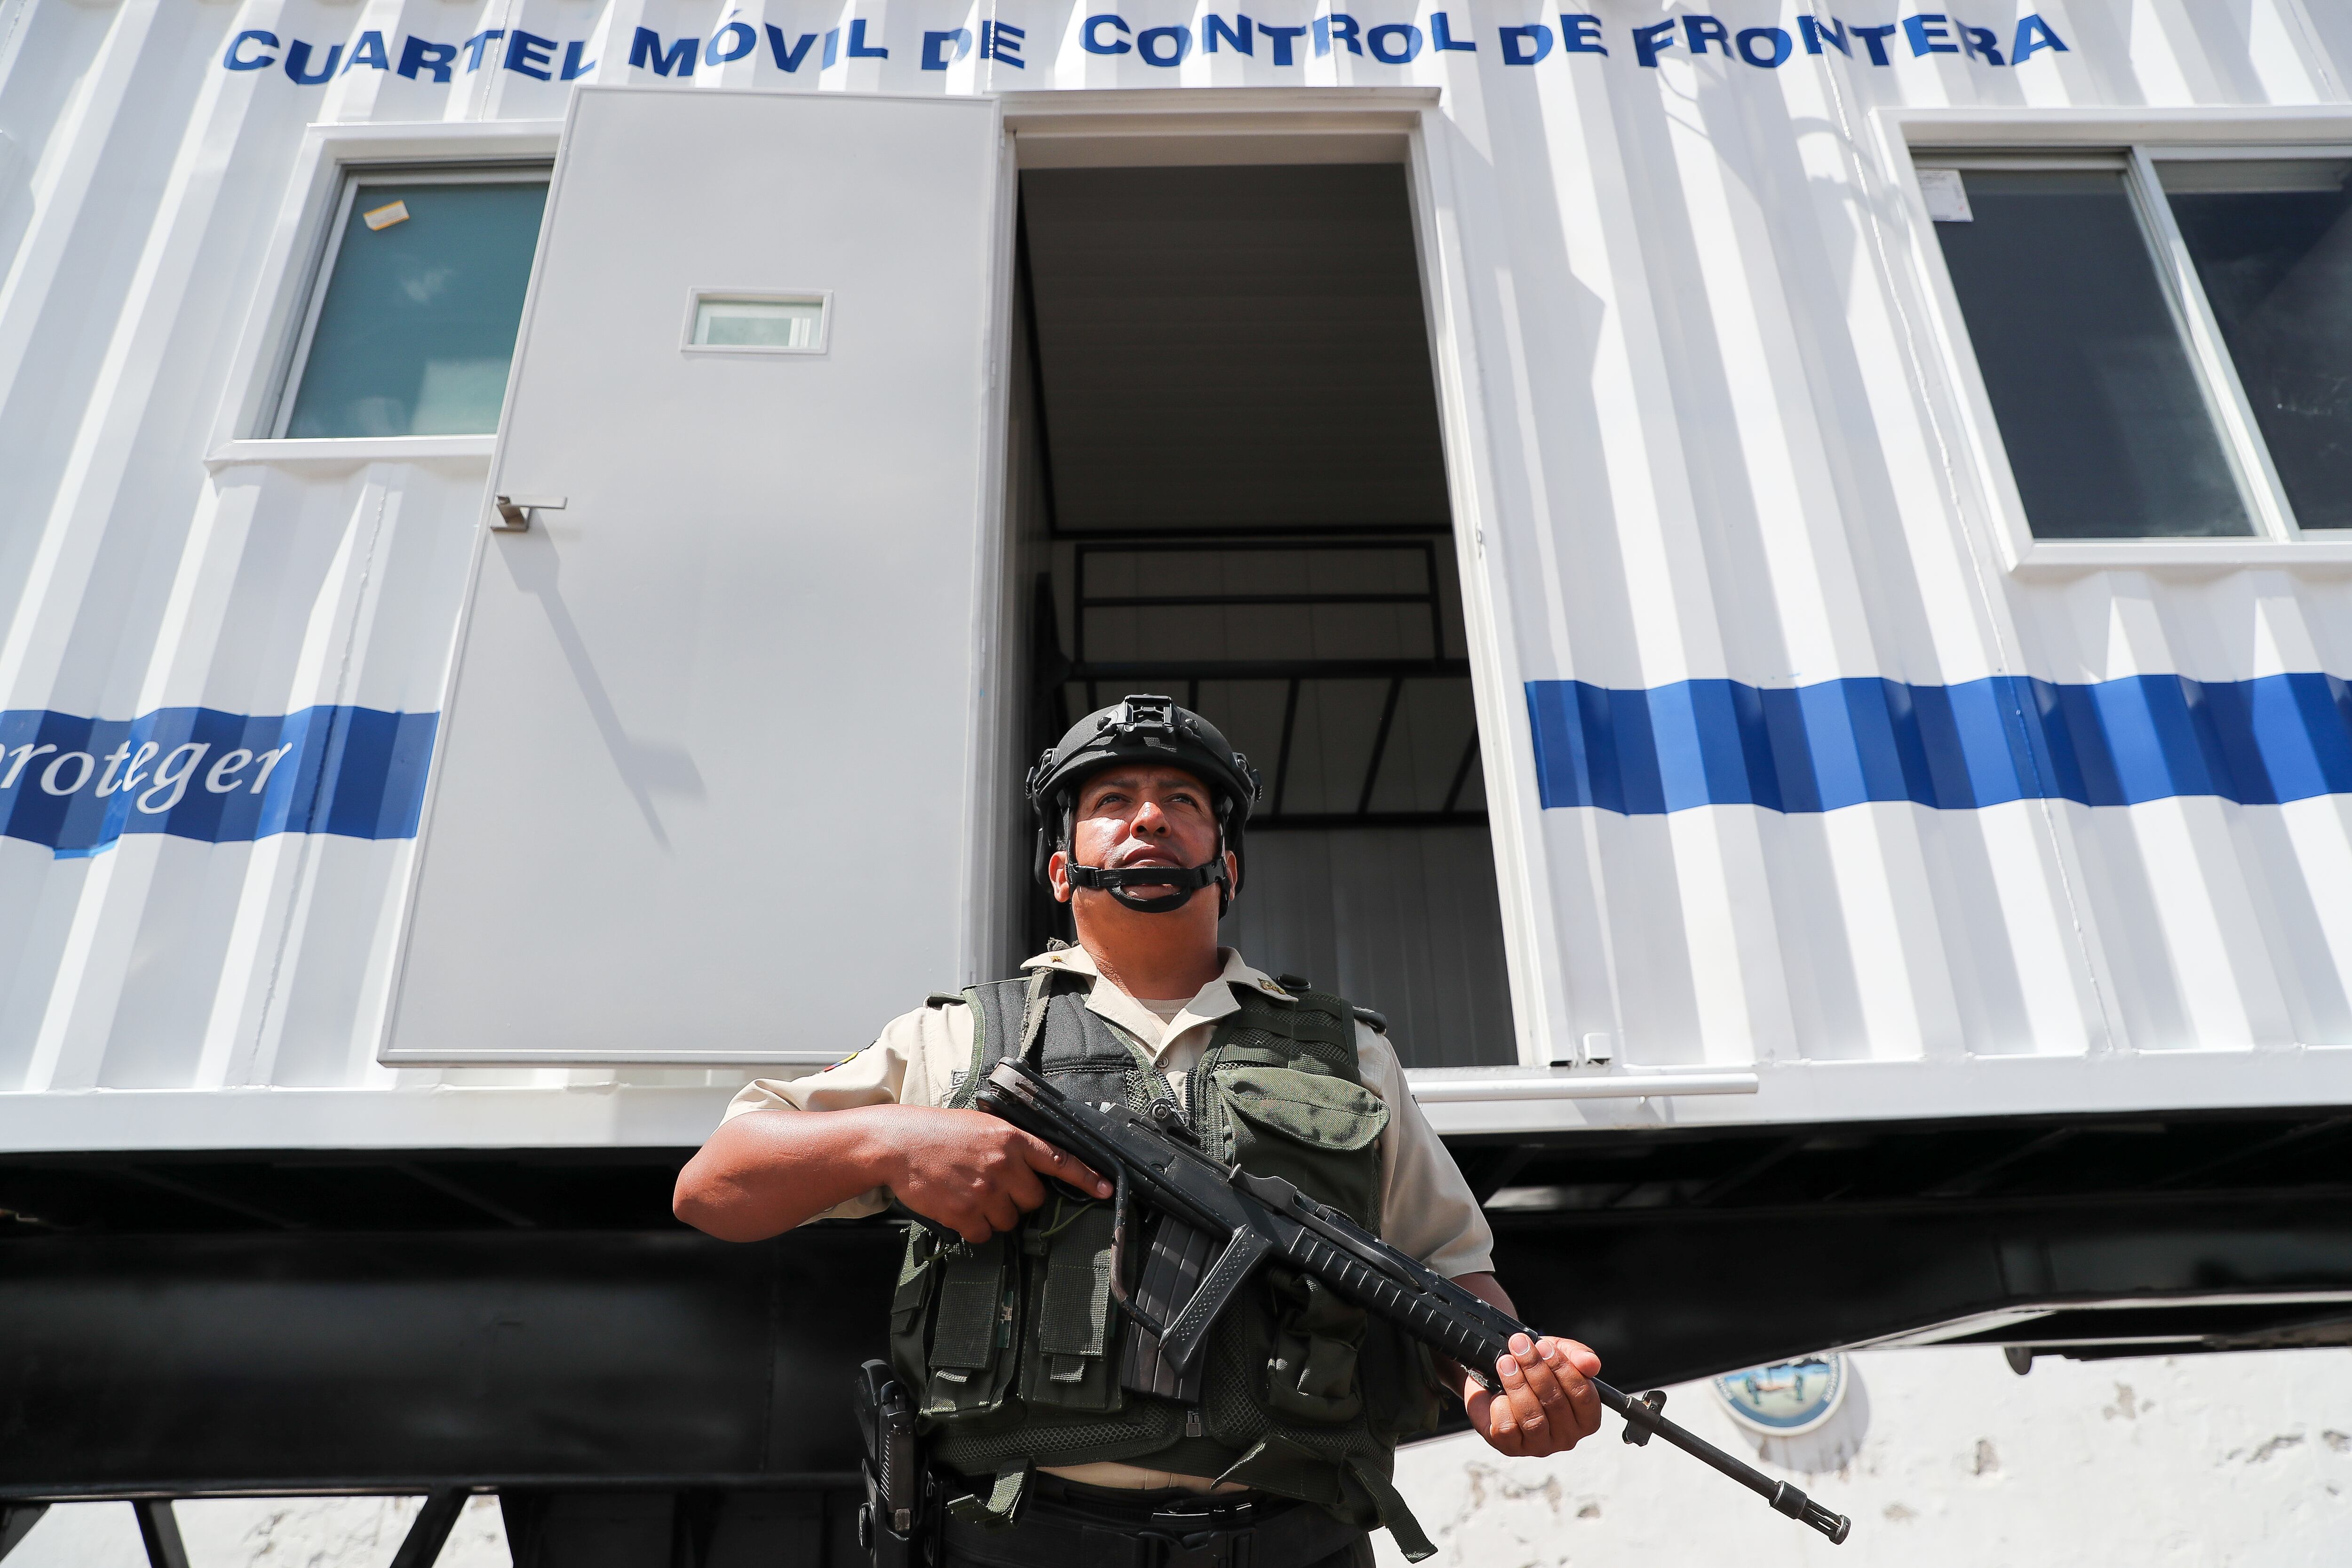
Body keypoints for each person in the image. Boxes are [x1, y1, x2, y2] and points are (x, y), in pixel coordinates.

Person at [675, 695, 1602, 1568]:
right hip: (1022, 1539)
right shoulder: (955, 1039)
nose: (1148, 819)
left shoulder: (1345, 1052)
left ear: (1226, 862)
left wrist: (1495, 1375)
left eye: (1183, 802)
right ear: (1059, 865)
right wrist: (894, 1143)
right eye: (1112, 801)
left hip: (1291, 1538)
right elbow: (714, 1185)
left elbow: (1443, 1266)